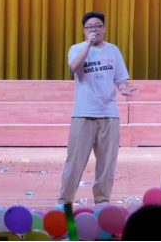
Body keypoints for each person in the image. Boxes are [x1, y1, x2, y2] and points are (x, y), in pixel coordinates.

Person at [58, 11, 136, 205]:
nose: (94, 30)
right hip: (83, 114)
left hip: (109, 114)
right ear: (84, 30)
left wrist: (124, 88)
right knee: (74, 161)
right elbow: (74, 68)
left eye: (98, 26)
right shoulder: (76, 48)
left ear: (104, 29)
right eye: (90, 27)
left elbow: (120, 78)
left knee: (107, 163)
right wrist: (88, 45)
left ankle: (102, 201)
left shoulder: (113, 50)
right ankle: (65, 201)